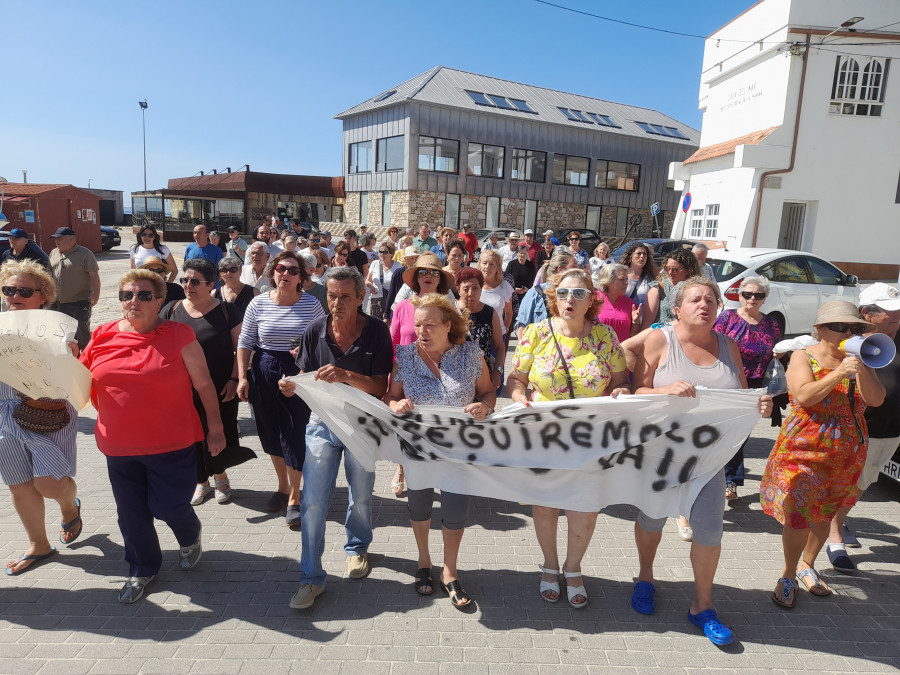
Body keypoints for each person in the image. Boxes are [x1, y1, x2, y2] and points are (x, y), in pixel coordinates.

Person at [630, 277, 773, 643]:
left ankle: (702, 606)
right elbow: (637, 392)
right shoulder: (658, 340)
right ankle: (645, 576)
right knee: (651, 518)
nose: (704, 305)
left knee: (709, 532)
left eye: (711, 300)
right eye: (695, 299)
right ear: (676, 309)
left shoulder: (729, 346)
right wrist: (665, 390)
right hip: (661, 454)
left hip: (710, 459)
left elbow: (743, 395)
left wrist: (760, 404)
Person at [81, 269, 226, 603]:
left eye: (144, 295)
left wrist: (215, 428)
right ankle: (142, 567)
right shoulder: (102, 334)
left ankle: (189, 533)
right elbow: (79, 381)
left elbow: (203, 384)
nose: (134, 301)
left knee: (169, 506)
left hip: (171, 443)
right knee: (130, 512)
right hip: (118, 444)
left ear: (160, 301)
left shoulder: (178, 335)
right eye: (127, 295)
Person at [508, 268, 630, 609]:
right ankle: (549, 565)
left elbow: (621, 381)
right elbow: (516, 378)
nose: (569, 301)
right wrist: (518, 396)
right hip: (543, 435)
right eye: (562, 294)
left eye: (578, 294)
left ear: (592, 298)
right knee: (544, 505)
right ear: (553, 298)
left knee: (584, 509)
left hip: (589, 437)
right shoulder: (535, 333)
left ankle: (573, 568)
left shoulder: (605, 337)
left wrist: (620, 393)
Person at [277, 267, 393, 609]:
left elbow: (380, 386)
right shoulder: (315, 329)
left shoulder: (376, 331)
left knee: (361, 496)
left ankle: (357, 548)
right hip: (322, 423)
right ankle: (310, 578)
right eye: (331, 295)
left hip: (361, 425)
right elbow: (306, 374)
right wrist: (292, 385)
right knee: (312, 500)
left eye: (345, 296)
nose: (337, 303)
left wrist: (345, 375)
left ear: (361, 297)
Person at [761, 301, 885, 608]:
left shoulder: (859, 361)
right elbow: (804, 395)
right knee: (799, 514)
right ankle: (788, 574)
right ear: (820, 330)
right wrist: (839, 372)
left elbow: (877, 400)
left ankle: (808, 565)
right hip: (803, 450)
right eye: (840, 327)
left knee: (826, 512)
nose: (848, 332)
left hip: (845, 452)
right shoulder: (803, 356)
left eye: (854, 328)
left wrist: (860, 366)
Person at [385, 293, 496, 609]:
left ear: (449, 325)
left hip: (458, 451)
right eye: (418, 324)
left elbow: (488, 392)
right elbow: (389, 397)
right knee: (419, 507)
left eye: (431, 324)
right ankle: (423, 562)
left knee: (455, 511)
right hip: (417, 449)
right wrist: (398, 404)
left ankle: (449, 571)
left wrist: (484, 406)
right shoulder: (404, 356)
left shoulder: (471, 354)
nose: (422, 331)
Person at [0, 261, 81, 576]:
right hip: (5, 415)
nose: (15, 296)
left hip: (46, 414)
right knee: (20, 486)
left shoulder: (57, 329)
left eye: (24, 291)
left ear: (43, 296)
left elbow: (71, 380)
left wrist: (69, 358)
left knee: (48, 483)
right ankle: (39, 545)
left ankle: (69, 507)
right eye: (9, 290)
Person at [237, 252, 326, 526]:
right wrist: (242, 377)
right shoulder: (257, 303)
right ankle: (282, 485)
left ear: (302, 277)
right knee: (269, 430)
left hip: (298, 371)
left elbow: (324, 340)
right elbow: (245, 341)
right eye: (280, 268)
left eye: (292, 270)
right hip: (264, 368)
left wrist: (304, 367)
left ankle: (295, 498)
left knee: (294, 432)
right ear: (272, 273)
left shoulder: (311, 305)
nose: (285, 273)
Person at [161, 259, 251, 507]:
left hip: (221, 388)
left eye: (195, 281)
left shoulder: (227, 311)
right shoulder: (171, 309)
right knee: (190, 438)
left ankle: (221, 476)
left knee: (219, 434)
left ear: (211, 284)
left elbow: (241, 349)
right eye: (185, 280)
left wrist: (235, 378)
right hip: (181, 390)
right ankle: (201, 482)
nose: (188, 285)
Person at [827, 284, 900, 571]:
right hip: (858, 427)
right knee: (847, 482)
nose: (896, 316)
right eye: (889, 311)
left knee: (863, 482)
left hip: (892, 428)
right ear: (867, 314)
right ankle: (834, 533)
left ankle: (838, 522)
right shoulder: (848, 341)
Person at [713, 276, 781, 501]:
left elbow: (776, 353)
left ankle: (730, 480)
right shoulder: (727, 318)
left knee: (740, 435)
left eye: (758, 295)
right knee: (722, 432)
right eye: (748, 294)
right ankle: (721, 478)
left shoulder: (771, 324)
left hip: (754, 387)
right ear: (739, 295)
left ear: (764, 299)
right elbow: (711, 345)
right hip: (727, 382)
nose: (753, 299)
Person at [48, 227, 100, 351]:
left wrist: (96, 295)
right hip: (57, 301)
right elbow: (48, 275)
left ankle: (87, 357)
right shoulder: (54, 253)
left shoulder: (85, 253)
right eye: (55, 239)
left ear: (71, 239)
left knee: (81, 332)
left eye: (60, 238)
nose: (56, 241)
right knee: (59, 331)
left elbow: (94, 275)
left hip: (78, 301)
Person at [456, 267, 505, 390]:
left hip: (484, 378)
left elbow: (499, 347)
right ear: (458, 290)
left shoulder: (490, 313)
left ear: (481, 289)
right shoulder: (451, 313)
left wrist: (497, 372)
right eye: (466, 289)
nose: (471, 293)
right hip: (455, 379)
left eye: (475, 288)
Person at [514, 249, 578, 340]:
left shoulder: (580, 295)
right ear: (560, 269)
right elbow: (522, 326)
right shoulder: (536, 293)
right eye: (574, 266)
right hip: (541, 351)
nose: (578, 270)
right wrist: (524, 352)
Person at [643, 249, 700, 330]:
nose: (670, 272)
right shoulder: (659, 288)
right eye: (667, 268)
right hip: (662, 338)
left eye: (675, 269)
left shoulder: (696, 289)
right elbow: (646, 324)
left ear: (688, 270)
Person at [595, 263, 639, 344]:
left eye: (626, 279)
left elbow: (633, 334)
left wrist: (635, 322)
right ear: (608, 281)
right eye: (622, 279)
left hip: (621, 353)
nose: (626, 283)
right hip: (597, 352)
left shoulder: (630, 304)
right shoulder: (593, 300)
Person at [478, 250, 514, 340]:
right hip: (475, 337)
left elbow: (509, 312)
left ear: (498, 267)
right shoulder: (473, 285)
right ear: (479, 264)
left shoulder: (505, 286)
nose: (487, 267)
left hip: (498, 337)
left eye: (492, 264)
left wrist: (505, 328)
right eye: (484, 263)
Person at [621, 242, 659, 313]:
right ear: (630, 256)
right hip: (624, 316)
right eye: (638, 253)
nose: (642, 256)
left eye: (644, 254)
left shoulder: (651, 276)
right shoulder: (620, 275)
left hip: (642, 319)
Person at [384, 247, 420, 321]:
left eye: (416, 258)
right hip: (400, 311)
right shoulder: (398, 273)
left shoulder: (423, 274)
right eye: (411, 258)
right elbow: (392, 293)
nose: (414, 261)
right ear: (406, 260)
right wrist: (386, 315)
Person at [364, 242, 397, 320]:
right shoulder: (374, 264)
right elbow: (368, 281)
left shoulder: (398, 266)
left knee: (390, 324)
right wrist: (371, 286)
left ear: (392, 254)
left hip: (391, 300)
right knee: (375, 325)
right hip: (376, 299)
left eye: (385, 252)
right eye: (380, 252)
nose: (382, 254)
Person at [506, 244, 537, 320]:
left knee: (525, 315)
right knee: (513, 316)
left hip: (527, 293)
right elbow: (506, 279)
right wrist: (514, 289)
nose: (522, 255)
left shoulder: (531, 265)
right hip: (513, 294)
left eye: (524, 253)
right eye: (520, 253)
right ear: (517, 253)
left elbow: (534, 280)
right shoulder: (512, 264)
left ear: (527, 254)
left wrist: (527, 289)